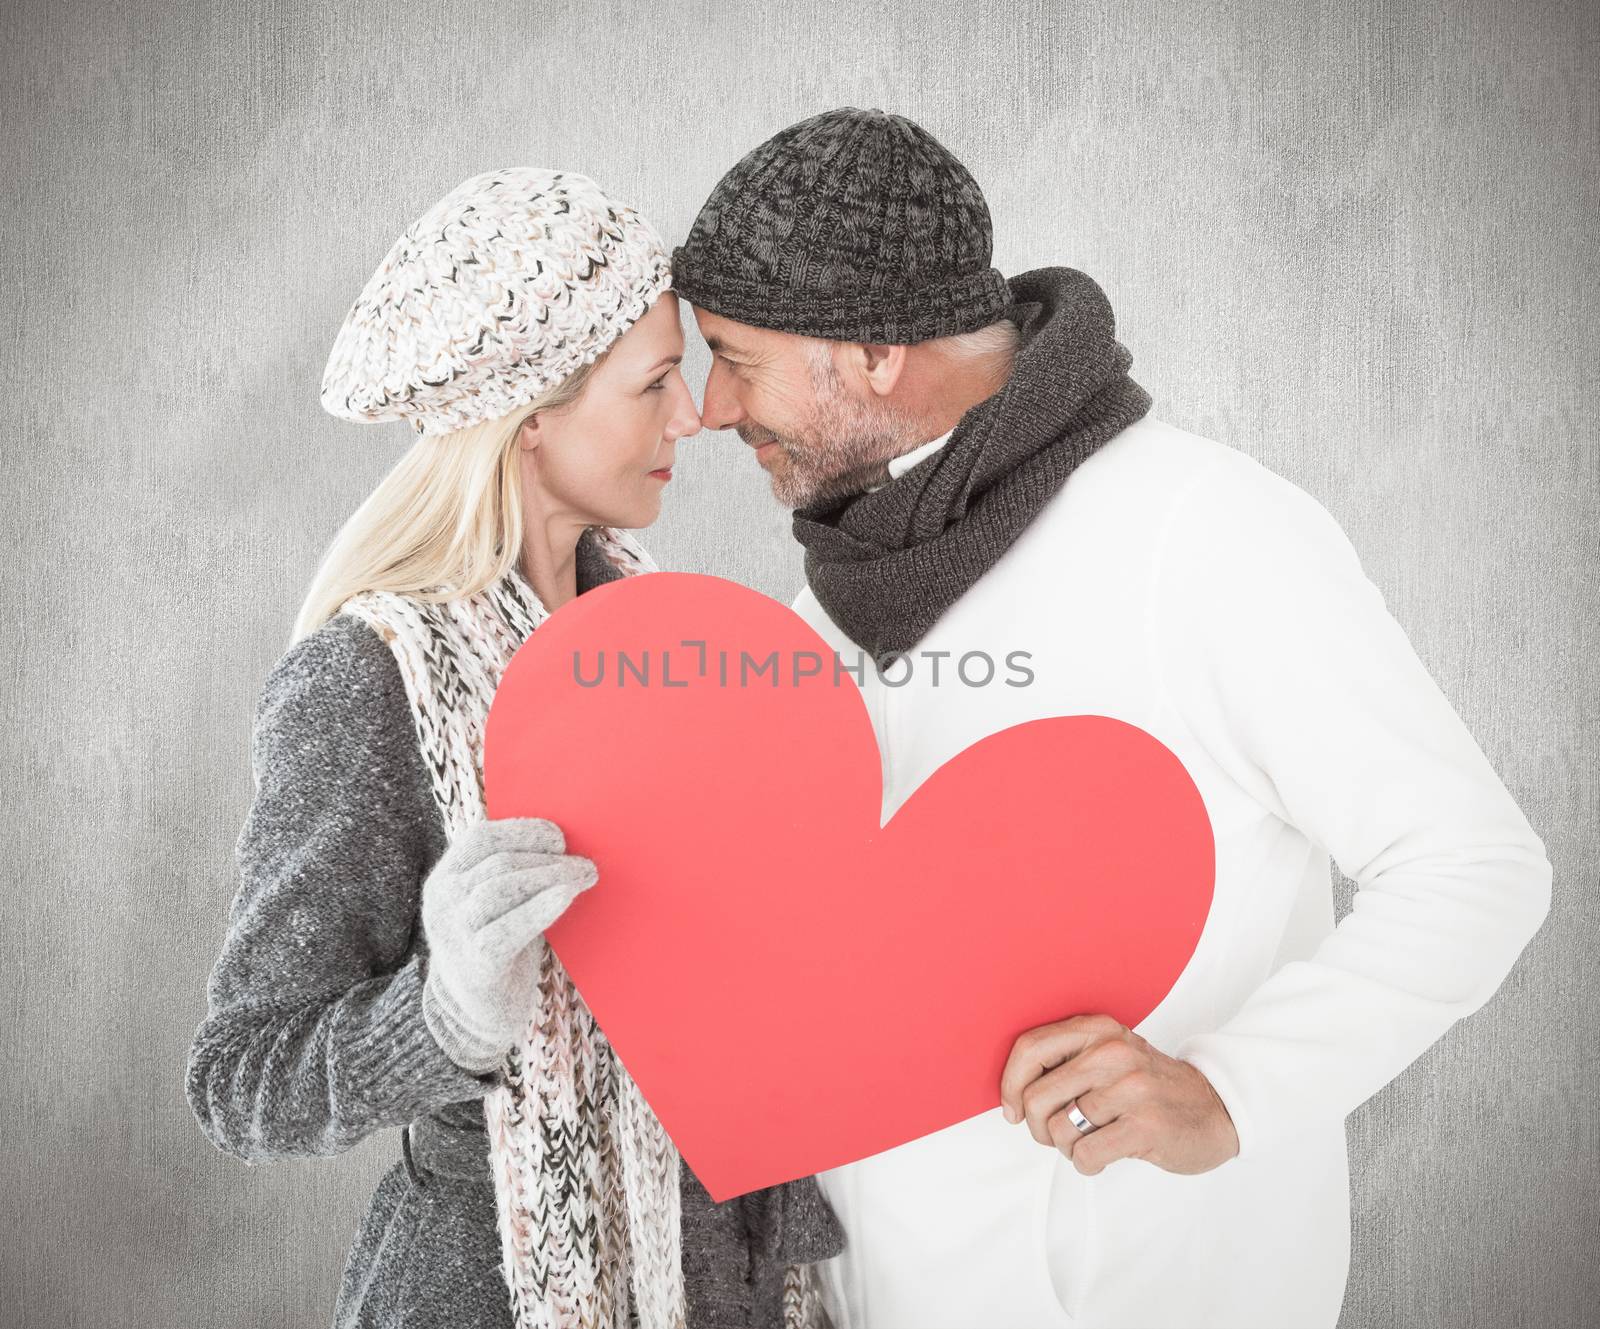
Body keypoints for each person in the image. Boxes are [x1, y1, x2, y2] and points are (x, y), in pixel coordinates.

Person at [668, 108, 1554, 1329]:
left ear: (872, 352)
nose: (711, 408)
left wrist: (1229, 1091)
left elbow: (1472, 867)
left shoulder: (1204, 535)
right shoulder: (841, 595)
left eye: (737, 356)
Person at [184, 167, 842, 1329]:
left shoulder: (671, 644)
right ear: (530, 417)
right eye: (651, 385)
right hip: (493, 1295)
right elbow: (246, 1083)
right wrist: (450, 1014)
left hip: (731, 1284)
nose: (690, 414)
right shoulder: (367, 678)